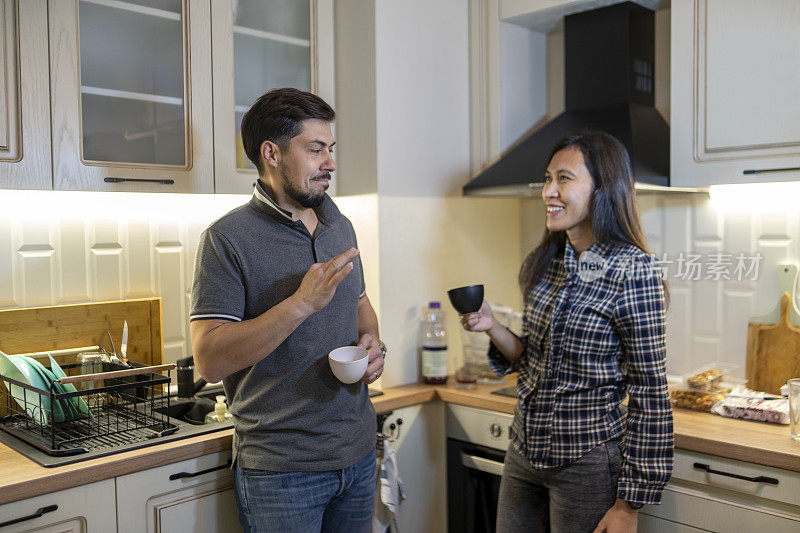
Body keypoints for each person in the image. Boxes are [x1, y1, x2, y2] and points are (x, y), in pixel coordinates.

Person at [189, 88, 386, 533]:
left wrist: (372, 343)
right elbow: (209, 359)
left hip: (357, 454)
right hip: (282, 473)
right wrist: (300, 305)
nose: (330, 162)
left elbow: (360, 304)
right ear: (271, 153)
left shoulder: (341, 223)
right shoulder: (227, 239)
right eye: (316, 149)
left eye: (330, 149)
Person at [460, 131, 673, 532]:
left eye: (564, 178)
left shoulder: (634, 270)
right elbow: (531, 359)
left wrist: (629, 505)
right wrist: (493, 328)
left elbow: (650, 390)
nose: (548, 192)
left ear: (603, 189)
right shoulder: (548, 262)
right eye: (547, 178)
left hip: (586, 462)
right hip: (525, 450)